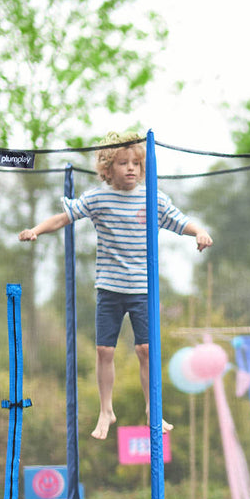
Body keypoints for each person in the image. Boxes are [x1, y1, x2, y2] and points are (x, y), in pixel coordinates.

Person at [19, 131, 213, 440]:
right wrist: (36, 230)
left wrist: (200, 232)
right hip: (109, 288)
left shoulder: (153, 198)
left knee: (146, 349)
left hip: (142, 290)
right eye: (123, 163)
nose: (131, 169)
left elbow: (180, 221)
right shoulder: (98, 197)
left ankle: (154, 409)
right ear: (108, 168)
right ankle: (106, 409)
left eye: (136, 163)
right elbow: (64, 217)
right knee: (103, 351)